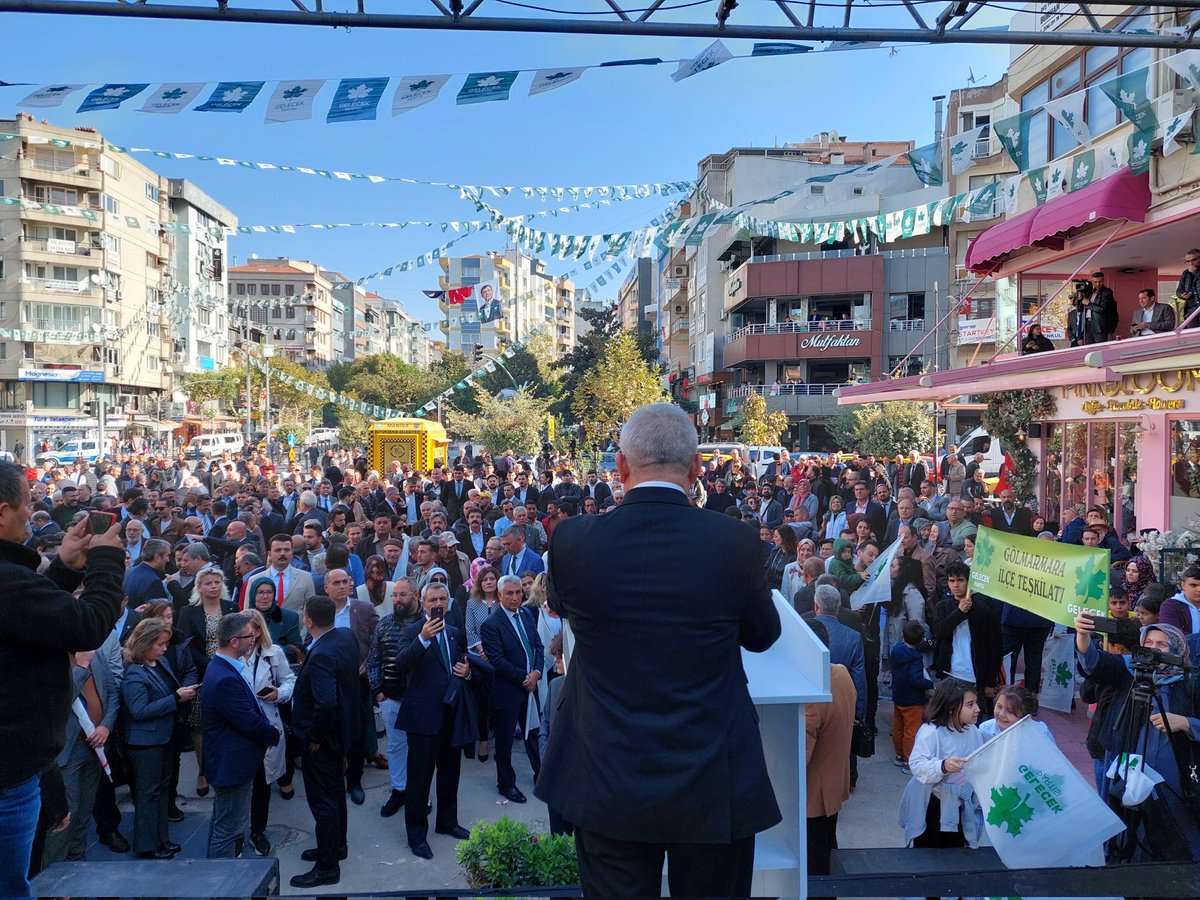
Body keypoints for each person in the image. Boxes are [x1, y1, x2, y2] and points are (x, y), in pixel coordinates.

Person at [538, 403, 781, 897]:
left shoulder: (573, 541)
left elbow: (565, 609)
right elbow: (762, 635)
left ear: (621, 468)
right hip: (713, 774)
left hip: (605, 769)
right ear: (696, 470)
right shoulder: (734, 541)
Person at [0, 462, 125, 896]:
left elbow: (25, 616)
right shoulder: (7, 582)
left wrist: (66, 569)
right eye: (28, 504)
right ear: (2, 513)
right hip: (8, 778)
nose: (32, 511)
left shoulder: (12, 582)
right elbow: (86, 626)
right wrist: (106, 562)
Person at [1074, 612, 1200, 860]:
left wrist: (1186, 723)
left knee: (1174, 840)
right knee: (1126, 836)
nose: (1154, 649)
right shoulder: (1128, 670)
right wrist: (1082, 634)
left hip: (1175, 780)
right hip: (1126, 773)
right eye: (1148, 643)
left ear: (1176, 648)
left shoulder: (1191, 682)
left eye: (1162, 644)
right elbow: (1093, 662)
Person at [392, 581, 474, 859]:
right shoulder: (411, 631)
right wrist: (423, 639)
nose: (437, 603)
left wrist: (466, 671)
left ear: (449, 602)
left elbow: (462, 660)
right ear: (422, 603)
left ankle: (448, 822)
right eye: (432, 600)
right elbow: (401, 664)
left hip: (451, 715)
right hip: (423, 719)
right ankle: (417, 835)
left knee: (451, 774)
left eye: (442, 599)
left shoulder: (453, 632)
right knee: (419, 780)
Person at [289, 596, 360, 889]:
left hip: (323, 740)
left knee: (324, 802)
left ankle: (328, 867)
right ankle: (336, 846)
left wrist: (314, 737)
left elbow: (326, 702)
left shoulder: (320, 655)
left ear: (308, 621)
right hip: (341, 733)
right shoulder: (345, 636)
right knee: (334, 795)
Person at [201, 612, 280, 859]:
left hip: (232, 761)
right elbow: (247, 720)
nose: (253, 638)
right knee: (229, 829)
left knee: (224, 822)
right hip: (232, 765)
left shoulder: (226, 667)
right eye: (249, 635)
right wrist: (272, 735)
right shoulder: (224, 677)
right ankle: (221, 883)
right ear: (234, 641)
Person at [121, 619, 197, 859]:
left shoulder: (158, 663)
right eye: (160, 644)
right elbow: (139, 711)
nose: (165, 648)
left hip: (163, 739)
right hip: (145, 744)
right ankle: (146, 846)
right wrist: (175, 698)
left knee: (162, 791)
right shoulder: (134, 674)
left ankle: (162, 840)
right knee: (148, 794)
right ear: (145, 644)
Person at [480, 574, 544, 804]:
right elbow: (497, 660)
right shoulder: (491, 624)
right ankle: (506, 784)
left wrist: (536, 673)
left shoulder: (526, 614)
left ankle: (541, 776)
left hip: (530, 686)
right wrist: (524, 677)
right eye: (510, 593)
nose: (516, 597)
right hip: (507, 692)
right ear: (499, 595)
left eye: (518, 592)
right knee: (505, 741)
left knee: (534, 734)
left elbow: (537, 645)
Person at [898, 679, 984, 850]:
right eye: (970, 704)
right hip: (933, 805)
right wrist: (943, 766)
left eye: (976, 703)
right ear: (951, 707)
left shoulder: (973, 730)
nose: (977, 709)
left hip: (960, 804)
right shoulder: (931, 732)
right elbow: (917, 765)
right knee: (928, 852)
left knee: (955, 851)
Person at [365, 578, 423, 819]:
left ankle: (421, 795)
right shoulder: (384, 624)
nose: (398, 599)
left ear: (416, 595)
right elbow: (374, 659)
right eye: (395, 595)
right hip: (391, 698)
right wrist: (378, 691)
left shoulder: (426, 624)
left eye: (403, 594)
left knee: (421, 751)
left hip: (421, 702)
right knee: (396, 748)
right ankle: (399, 790)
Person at [177, 565, 237, 798]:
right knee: (200, 725)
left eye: (216, 582)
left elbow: (240, 637)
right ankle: (203, 771)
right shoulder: (188, 612)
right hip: (202, 674)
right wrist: (209, 665)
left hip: (230, 672)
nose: (213, 587)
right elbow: (186, 644)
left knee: (228, 721)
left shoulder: (231, 608)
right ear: (199, 587)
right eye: (208, 583)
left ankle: (226, 765)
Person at [804, 619, 855, 878]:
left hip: (813, 796)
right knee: (828, 851)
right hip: (834, 785)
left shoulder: (813, 695)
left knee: (815, 865)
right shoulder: (842, 674)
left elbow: (799, 758)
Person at [242, 608, 295, 855]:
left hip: (266, 725)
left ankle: (257, 830)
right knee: (240, 784)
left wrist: (279, 694)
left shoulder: (274, 654)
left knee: (262, 784)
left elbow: (290, 680)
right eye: (244, 633)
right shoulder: (228, 655)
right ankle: (235, 832)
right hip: (240, 729)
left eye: (253, 631)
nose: (249, 638)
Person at [932, 562, 1002, 714]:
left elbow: (995, 648)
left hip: (975, 676)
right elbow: (939, 632)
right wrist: (959, 612)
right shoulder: (942, 606)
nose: (955, 585)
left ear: (969, 582)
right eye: (951, 581)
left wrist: (990, 681)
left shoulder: (984, 612)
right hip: (949, 673)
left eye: (960, 580)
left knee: (971, 719)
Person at [891, 620, 934, 771]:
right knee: (911, 731)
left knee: (898, 727)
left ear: (902, 634)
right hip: (913, 700)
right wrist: (929, 684)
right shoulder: (915, 658)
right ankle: (910, 762)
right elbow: (915, 680)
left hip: (898, 696)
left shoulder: (896, 650)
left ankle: (899, 755)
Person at [978, 685, 1052, 741]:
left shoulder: (1040, 732)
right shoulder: (985, 730)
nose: (1001, 714)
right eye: (999, 707)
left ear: (1025, 715)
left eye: (1010, 711)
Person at [1177, 248, 1200, 328]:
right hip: (1191, 311)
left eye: (1193, 260)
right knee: (1193, 337)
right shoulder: (1186, 273)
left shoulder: (1194, 271)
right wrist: (1182, 295)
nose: (1190, 263)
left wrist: (1196, 272)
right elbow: (1179, 290)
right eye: (1187, 261)